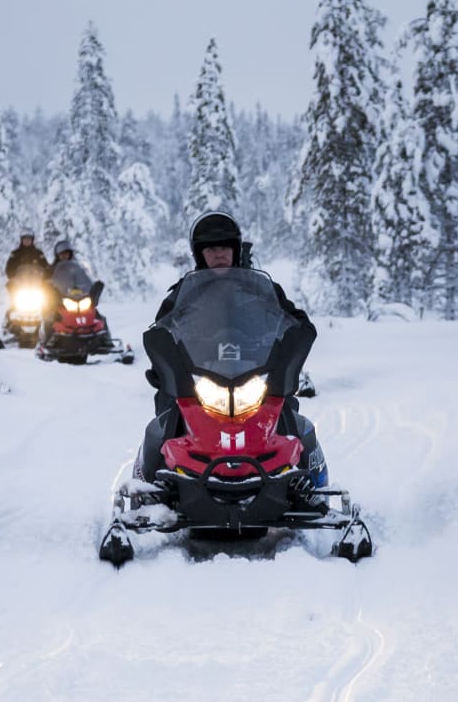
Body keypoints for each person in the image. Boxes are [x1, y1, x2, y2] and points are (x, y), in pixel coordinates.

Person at [138, 213, 328, 502]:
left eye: (224, 248)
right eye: (210, 249)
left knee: (286, 410)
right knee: (168, 415)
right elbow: (162, 327)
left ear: (235, 249)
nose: (218, 255)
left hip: (256, 370)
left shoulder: (260, 289)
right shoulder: (185, 294)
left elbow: (293, 320)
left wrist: (290, 342)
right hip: (200, 373)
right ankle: (157, 486)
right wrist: (163, 365)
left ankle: (306, 485)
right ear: (199, 253)